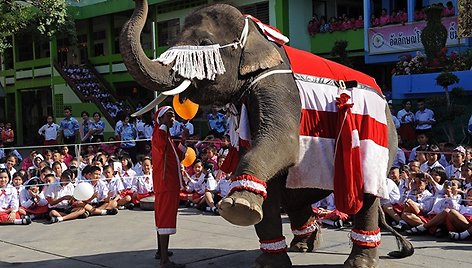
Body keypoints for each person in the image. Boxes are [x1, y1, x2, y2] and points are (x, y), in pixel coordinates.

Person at [152, 106, 188, 267]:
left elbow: (176, 157)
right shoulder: (160, 134)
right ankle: (165, 261)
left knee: (162, 217)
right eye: (169, 116)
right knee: (166, 218)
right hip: (166, 183)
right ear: (160, 119)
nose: (173, 118)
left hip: (167, 183)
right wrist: (163, 125)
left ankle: (161, 251)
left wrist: (183, 141)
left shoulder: (166, 137)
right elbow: (160, 143)